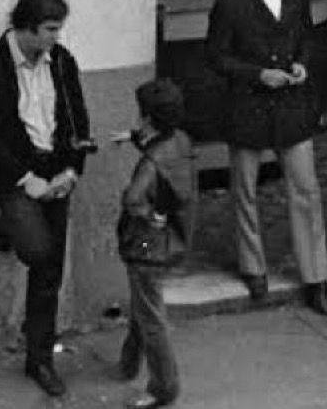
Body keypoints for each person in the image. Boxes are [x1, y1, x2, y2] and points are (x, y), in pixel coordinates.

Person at [0, 0, 92, 398]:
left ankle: (40, 357)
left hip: (55, 168)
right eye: (50, 29)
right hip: (19, 174)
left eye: (59, 29)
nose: (57, 37)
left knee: (49, 268)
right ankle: (9, 224)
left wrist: (72, 169)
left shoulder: (62, 62)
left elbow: (78, 118)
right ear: (26, 27)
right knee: (36, 248)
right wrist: (25, 180)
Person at [205, 0, 327, 314]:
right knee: (245, 190)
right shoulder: (231, 2)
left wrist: (301, 65)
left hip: (291, 105)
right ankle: (253, 266)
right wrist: (257, 74)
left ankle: (316, 276)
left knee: (306, 190)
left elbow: (306, 39)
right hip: (248, 105)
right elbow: (216, 56)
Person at [115, 79, 194, 409]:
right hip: (172, 240)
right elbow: (165, 154)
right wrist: (134, 139)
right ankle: (129, 362)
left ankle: (164, 387)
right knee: (143, 305)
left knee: (150, 318)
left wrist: (147, 212)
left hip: (147, 246)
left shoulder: (150, 163)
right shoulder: (181, 140)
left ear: (147, 117)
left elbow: (133, 199)